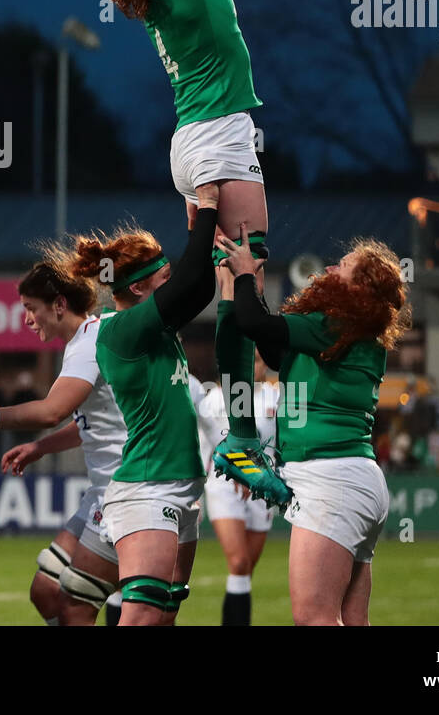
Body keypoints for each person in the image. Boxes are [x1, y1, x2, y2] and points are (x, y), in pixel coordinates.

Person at [101, 0, 283, 502]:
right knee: (247, 280)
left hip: (192, 141)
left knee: (223, 282)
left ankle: (231, 424)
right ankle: (241, 436)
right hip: (217, 137)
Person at [219, 226, 410, 626]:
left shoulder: (337, 324)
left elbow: (254, 324)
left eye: (342, 267)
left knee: (314, 618)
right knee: (353, 619)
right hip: (357, 480)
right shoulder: (354, 332)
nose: (329, 268)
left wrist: (240, 274)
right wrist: (253, 278)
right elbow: (273, 349)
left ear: (359, 289)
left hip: (331, 481)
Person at [54, 184, 222, 625]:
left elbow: (197, 287)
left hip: (182, 486)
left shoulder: (156, 329)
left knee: (163, 618)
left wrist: (200, 230)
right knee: (142, 618)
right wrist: (206, 208)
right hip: (148, 487)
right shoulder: (124, 329)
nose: (172, 284)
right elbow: (190, 283)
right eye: (163, 278)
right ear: (140, 284)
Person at [0, 254, 129, 627]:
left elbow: (50, 412)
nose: (26, 319)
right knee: (45, 591)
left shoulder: (90, 342)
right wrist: (41, 447)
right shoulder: (81, 344)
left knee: (77, 605)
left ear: (58, 305)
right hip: (99, 496)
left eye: (30, 308)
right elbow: (91, 424)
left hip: (123, 493)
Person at [190, 341, 279, 626]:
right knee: (239, 562)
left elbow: (281, 446)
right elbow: (210, 445)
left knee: (244, 571)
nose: (251, 366)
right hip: (224, 484)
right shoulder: (214, 399)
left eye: (255, 359)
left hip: (263, 489)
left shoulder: (275, 399)